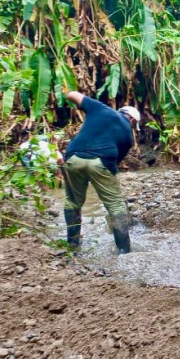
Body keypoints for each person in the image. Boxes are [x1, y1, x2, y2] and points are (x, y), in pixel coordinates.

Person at [61, 90, 140, 253]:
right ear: (132, 120)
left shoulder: (100, 108)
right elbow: (115, 163)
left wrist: (67, 92)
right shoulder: (128, 137)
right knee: (115, 205)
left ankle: (72, 246)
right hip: (101, 162)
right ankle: (125, 251)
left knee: (73, 202)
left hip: (73, 157)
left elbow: (72, 95)